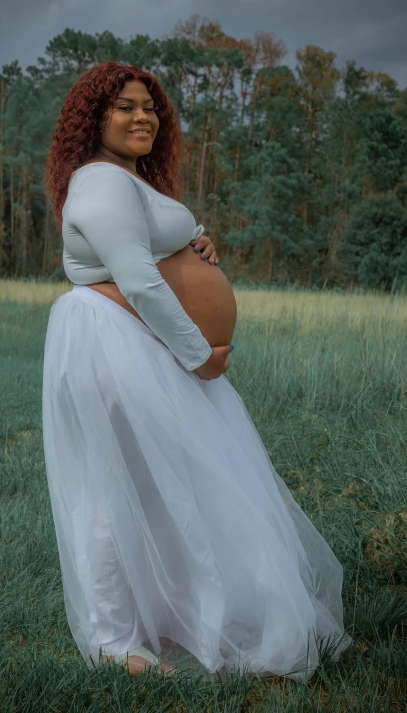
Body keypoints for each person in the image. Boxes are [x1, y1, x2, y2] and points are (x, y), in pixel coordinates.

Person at [41, 61, 352, 682]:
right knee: (114, 491)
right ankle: (113, 641)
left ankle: (180, 615)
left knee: (168, 490)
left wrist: (196, 239)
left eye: (150, 107)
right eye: (125, 106)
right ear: (93, 118)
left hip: (142, 343)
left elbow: (154, 240)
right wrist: (198, 355)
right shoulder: (100, 181)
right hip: (118, 343)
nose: (142, 117)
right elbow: (137, 279)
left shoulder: (126, 180)